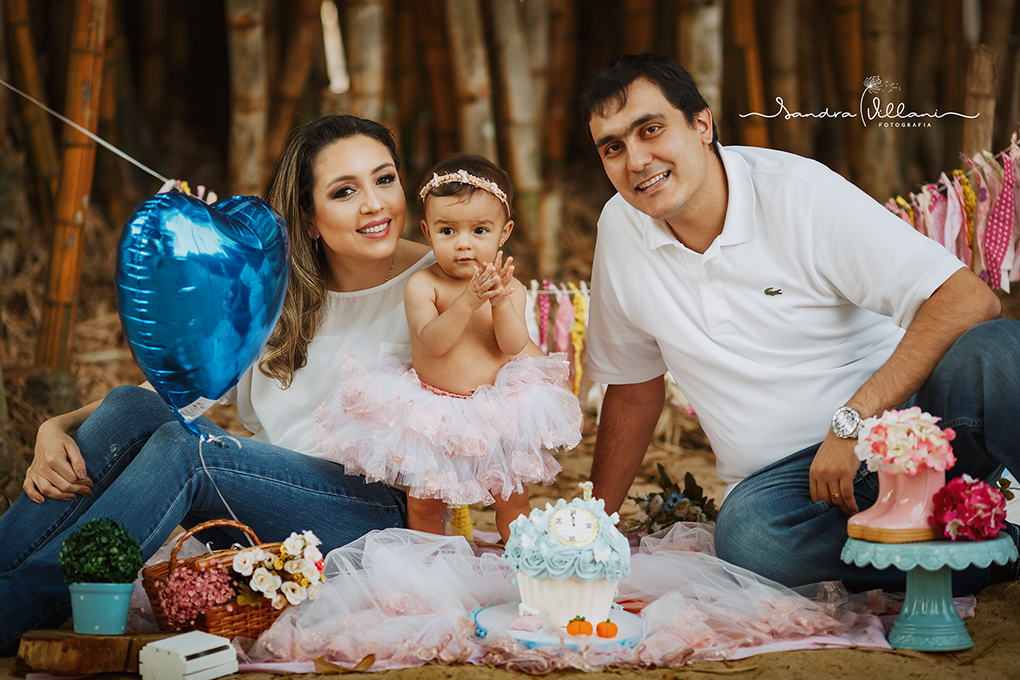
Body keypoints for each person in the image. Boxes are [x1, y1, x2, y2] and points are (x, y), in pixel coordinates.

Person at [580, 53, 1020, 595]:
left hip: (907, 433)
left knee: (1000, 350)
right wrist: (589, 524)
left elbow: (967, 300)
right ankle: (992, 544)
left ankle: (936, 541)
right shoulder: (620, 230)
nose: (637, 159)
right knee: (749, 539)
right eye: (614, 148)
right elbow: (632, 388)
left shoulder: (798, 193)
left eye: (651, 130)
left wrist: (852, 423)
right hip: (790, 493)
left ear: (700, 124)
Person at [0, 114, 437, 654]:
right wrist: (56, 425)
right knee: (131, 408)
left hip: (371, 517)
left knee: (188, 452)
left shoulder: (438, 285)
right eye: (345, 191)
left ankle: (13, 606)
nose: (375, 204)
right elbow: (171, 393)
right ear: (308, 215)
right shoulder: (274, 287)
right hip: (268, 510)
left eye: (385, 178)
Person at [315, 153, 582, 543]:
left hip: (495, 411)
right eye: (447, 232)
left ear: (503, 233)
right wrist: (468, 301)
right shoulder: (425, 285)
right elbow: (432, 342)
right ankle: (431, 569)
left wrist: (501, 302)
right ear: (427, 231)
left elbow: (512, 344)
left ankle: (524, 567)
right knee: (425, 504)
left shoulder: (512, 288)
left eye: (479, 231)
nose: (463, 245)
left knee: (511, 500)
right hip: (432, 414)